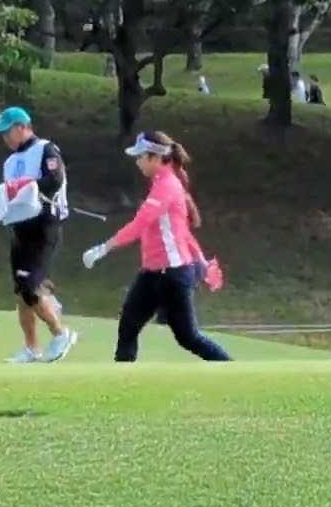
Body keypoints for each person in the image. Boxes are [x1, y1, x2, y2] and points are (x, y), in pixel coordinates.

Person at [80, 131, 232, 363]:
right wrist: (200, 261)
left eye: (141, 156)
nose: (138, 161)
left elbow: (141, 223)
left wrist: (104, 247)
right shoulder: (162, 183)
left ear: (155, 157)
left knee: (188, 337)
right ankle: (122, 380)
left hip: (171, 274)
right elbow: (182, 232)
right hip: (154, 273)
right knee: (128, 326)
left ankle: (229, 369)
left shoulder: (167, 185)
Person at [0, 106, 78, 363]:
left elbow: (55, 180)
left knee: (29, 288)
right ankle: (31, 348)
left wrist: (27, 187)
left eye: (7, 131)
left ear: (21, 127)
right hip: (20, 228)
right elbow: (8, 194)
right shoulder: (9, 162)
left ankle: (61, 333)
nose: (4, 137)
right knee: (21, 291)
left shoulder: (46, 149)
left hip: (44, 225)